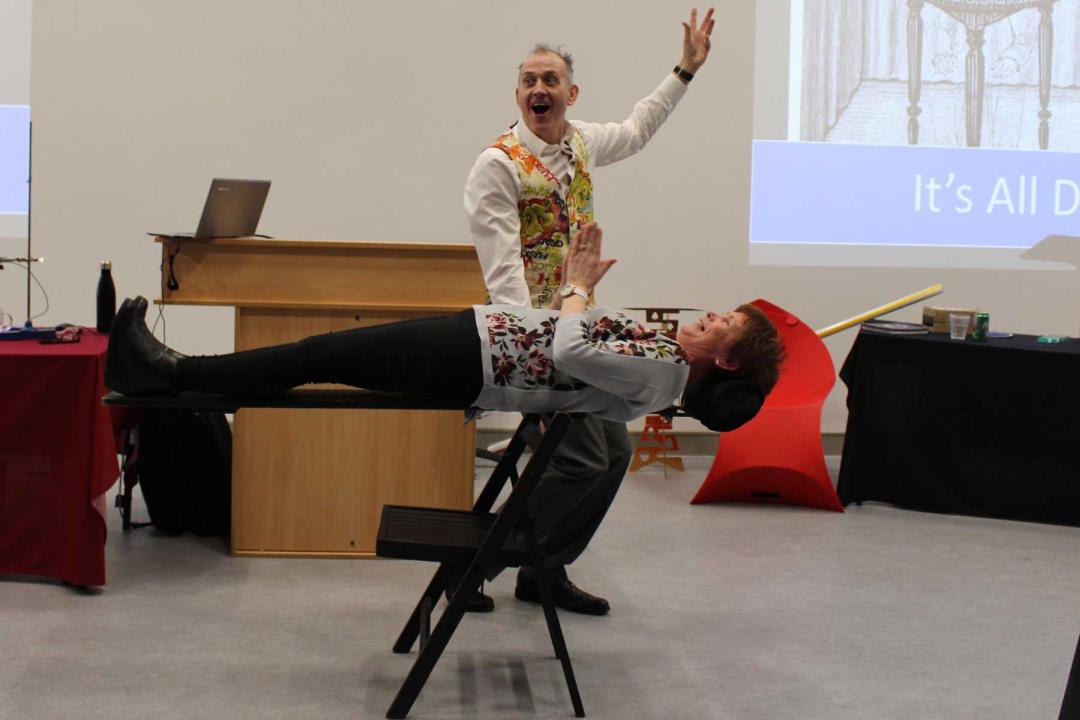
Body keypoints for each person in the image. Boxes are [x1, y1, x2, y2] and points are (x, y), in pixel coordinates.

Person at [462, 8, 716, 614]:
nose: (538, 89)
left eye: (550, 80)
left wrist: (685, 69)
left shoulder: (579, 143)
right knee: (577, 459)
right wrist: (536, 370)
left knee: (616, 456)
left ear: (570, 94)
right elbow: (504, 278)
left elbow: (637, 128)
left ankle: (544, 570)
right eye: (528, 80)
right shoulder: (498, 166)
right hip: (538, 342)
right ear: (518, 95)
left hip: (582, 332)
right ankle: (472, 567)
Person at [106, 225, 783, 428]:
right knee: (318, 354)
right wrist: (581, 288)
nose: (718, 314)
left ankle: (171, 373)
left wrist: (578, 286)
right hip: (478, 343)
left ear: (725, 361)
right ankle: (174, 372)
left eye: (729, 324)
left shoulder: (662, 377)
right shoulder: (663, 356)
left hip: (472, 362)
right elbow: (576, 333)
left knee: (317, 354)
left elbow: (574, 350)